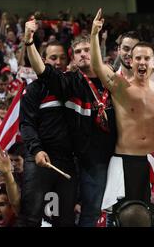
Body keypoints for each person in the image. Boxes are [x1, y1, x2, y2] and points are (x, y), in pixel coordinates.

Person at [23, 17, 117, 227]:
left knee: (116, 212)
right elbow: (43, 71)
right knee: (87, 213)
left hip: (117, 155)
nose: (83, 54)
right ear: (72, 59)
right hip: (90, 161)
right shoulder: (71, 82)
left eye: (87, 49)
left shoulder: (112, 80)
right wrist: (29, 42)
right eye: (78, 52)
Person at [89, 9, 154, 217]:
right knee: (124, 217)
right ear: (130, 61)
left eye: (146, 58)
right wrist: (94, 35)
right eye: (138, 58)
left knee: (153, 218)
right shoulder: (120, 86)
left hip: (153, 161)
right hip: (125, 160)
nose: (142, 62)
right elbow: (96, 66)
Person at [17, 40, 77, 227]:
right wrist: (36, 150)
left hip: (67, 162)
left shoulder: (74, 87)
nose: (58, 62)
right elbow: (26, 125)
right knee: (31, 217)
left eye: (62, 58)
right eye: (53, 58)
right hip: (40, 159)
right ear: (42, 60)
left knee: (65, 219)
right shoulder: (34, 90)